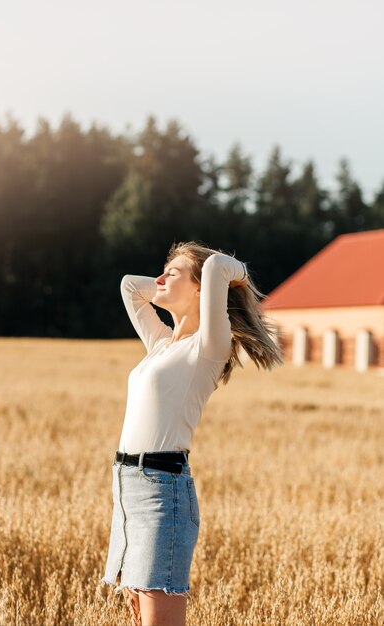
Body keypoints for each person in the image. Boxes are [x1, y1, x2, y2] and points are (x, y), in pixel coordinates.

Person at [100, 240, 283, 626]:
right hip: (127, 488)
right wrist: (174, 282)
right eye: (162, 272)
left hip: (162, 492)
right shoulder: (163, 345)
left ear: (202, 288)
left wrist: (240, 280)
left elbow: (217, 265)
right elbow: (129, 286)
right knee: (137, 615)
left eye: (173, 273)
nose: (160, 278)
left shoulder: (208, 348)